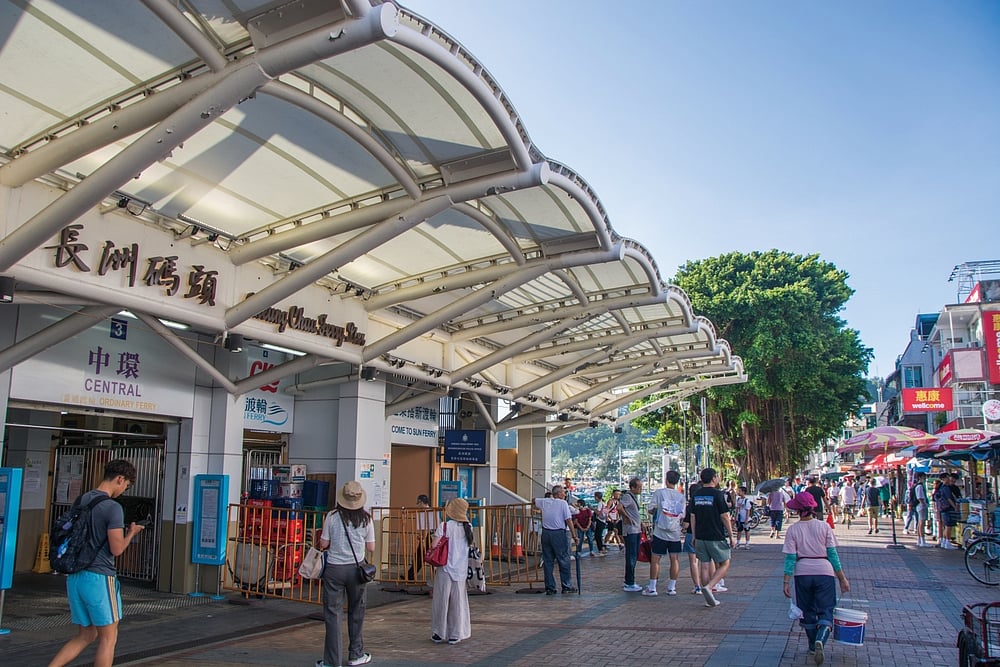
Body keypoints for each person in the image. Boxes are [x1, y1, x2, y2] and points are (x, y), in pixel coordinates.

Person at [48, 459, 144, 667]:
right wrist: (131, 533)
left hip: (75, 575)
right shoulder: (113, 508)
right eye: (126, 485)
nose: (124, 490)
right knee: (108, 638)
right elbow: (116, 549)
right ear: (120, 479)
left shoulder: (82, 500)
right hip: (99, 577)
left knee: (86, 634)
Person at [782, 492, 850, 666]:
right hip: (824, 571)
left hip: (802, 573)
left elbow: (790, 558)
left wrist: (786, 581)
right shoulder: (824, 527)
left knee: (807, 610)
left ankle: (813, 645)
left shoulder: (792, 530)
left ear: (797, 510)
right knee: (826, 609)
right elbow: (833, 555)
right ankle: (822, 637)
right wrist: (842, 578)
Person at [318, 481, 375, 667]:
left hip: (334, 569)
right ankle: (356, 654)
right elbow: (371, 547)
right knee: (357, 611)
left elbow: (324, 544)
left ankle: (331, 661)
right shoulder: (366, 519)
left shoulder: (332, 517)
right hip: (357, 570)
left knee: (332, 614)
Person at [430, 498, 474, 645]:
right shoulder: (469, 528)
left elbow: (434, 544)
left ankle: (439, 632)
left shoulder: (444, 526)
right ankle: (456, 634)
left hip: (444, 568)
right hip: (460, 570)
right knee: (458, 601)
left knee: (441, 600)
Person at [690, 468, 735, 608]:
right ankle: (709, 587)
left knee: (704, 565)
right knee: (725, 563)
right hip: (715, 535)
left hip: (700, 535)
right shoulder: (717, 494)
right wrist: (731, 535)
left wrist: (694, 535)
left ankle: (708, 597)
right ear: (714, 478)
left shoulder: (696, 494)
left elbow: (693, 516)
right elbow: (725, 516)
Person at [644, 470, 686, 596]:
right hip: (675, 532)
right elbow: (682, 515)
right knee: (675, 559)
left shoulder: (659, 493)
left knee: (656, 558)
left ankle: (652, 587)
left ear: (666, 480)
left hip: (660, 531)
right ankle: (672, 587)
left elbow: (651, 509)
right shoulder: (681, 497)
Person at [534, 485, 577, 594]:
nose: (565, 494)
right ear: (558, 494)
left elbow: (533, 500)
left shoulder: (544, 501)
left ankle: (550, 587)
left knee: (548, 561)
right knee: (563, 559)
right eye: (563, 492)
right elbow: (568, 520)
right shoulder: (562, 503)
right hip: (558, 533)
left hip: (546, 533)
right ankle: (566, 585)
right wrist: (574, 535)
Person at [620, 477, 643, 592]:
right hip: (631, 531)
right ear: (632, 487)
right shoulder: (628, 497)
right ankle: (630, 582)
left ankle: (629, 579)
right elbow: (619, 506)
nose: (641, 489)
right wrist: (626, 517)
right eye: (639, 487)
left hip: (636, 529)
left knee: (633, 555)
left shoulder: (632, 497)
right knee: (631, 556)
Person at [406, 494, 434, 582]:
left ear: (422, 502)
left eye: (418, 502)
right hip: (428, 536)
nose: (417, 505)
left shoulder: (426, 512)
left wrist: (423, 538)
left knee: (421, 555)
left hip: (428, 537)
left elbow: (426, 527)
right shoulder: (427, 511)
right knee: (420, 555)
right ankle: (410, 575)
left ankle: (411, 575)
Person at [683, 481, 703, 595]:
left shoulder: (690, 505)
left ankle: (697, 586)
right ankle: (709, 584)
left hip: (691, 534)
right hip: (704, 534)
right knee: (705, 561)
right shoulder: (704, 503)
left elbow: (686, 524)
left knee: (693, 562)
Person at [592, 491, 608, 556]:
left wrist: (592, 508)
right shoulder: (604, 503)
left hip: (599, 521)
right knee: (599, 535)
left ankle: (600, 550)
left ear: (596, 497)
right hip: (603, 521)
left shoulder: (600, 504)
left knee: (597, 536)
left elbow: (598, 513)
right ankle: (602, 548)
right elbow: (606, 513)